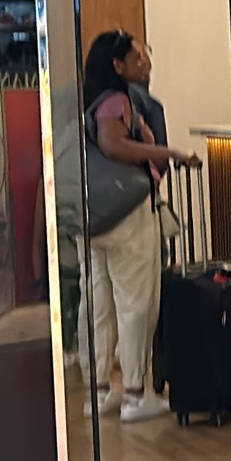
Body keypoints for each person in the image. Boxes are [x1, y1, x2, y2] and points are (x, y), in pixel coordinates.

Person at [80, 29, 198, 424]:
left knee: (98, 302)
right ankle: (134, 392)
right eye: (137, 58)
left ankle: (98, 390)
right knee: (136, 301)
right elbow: (113, 144)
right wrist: (169, 151)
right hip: (127, 210)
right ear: (118, 65)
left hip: (92, 214)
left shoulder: (86, 98)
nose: (145, 64)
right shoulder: (118, 100)